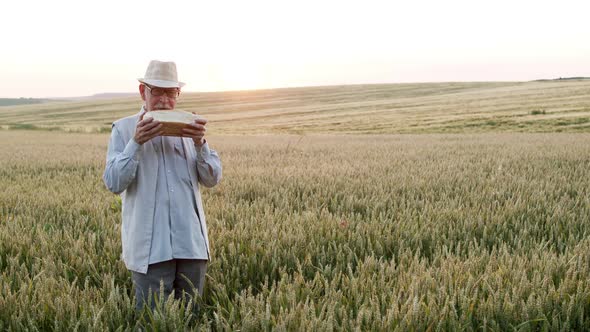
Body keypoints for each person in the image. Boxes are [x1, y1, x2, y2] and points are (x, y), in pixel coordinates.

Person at [102, 60, 222, 312]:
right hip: (150, 249)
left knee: (192, 319)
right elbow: (113, 182)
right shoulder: (124, 129)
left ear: (178, 95)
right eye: (157, 91)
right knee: (152, 321)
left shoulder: (191, 127)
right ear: (142, 91)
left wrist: (200, 143)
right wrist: (135, 143)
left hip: (191, 245)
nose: (164, 101)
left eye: (171, 93)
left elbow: (212, 178)